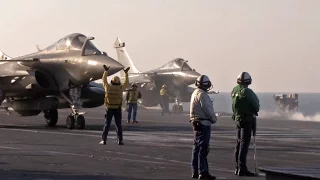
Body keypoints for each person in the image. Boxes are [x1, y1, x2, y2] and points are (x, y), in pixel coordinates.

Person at [231, 72, 260, 176]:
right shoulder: (247, 91)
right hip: (247, 119)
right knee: (244, 144)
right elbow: (256, 105)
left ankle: (237, 167)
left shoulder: (234, 90)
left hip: (237, 119)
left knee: (238, 144)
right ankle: (242, 168)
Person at [190, 75, 217, 180]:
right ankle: (203, 172)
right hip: (203, 123)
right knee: (203, 148)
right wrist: (214, 118)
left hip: (195, 123)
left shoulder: (194, 93)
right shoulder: (203, 95)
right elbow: (207, 108)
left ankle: (195, 171)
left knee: (196, 148)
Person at [99, 65, 130, 145]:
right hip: (117, 109)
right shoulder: (120, 88)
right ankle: (120, 140)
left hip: (109, 108)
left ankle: (104, 140)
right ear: (118, 82)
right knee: (118, 125)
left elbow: (104, 80)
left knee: (107, 125)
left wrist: (105, 71)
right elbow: (126, 83)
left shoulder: (108, 87)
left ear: (112, 81)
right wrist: (126, 74)